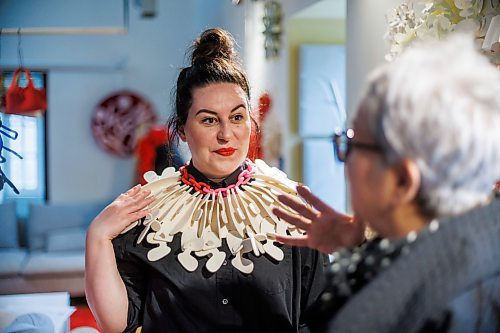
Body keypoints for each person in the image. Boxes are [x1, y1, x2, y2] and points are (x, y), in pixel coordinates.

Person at [85, 28, 327, 333]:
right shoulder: (152, 212)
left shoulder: (289, 206)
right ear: (183, 129)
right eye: (209, 119)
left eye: (237, 117)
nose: (226, 134)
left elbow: (318, 316)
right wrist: (97, 236)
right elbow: (117, 323)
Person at [273, 34, 500, 333]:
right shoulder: (469, 248)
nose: (344, 162)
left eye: (352, 144)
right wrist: (359, 248)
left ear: (404, 180)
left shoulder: (451, 309)